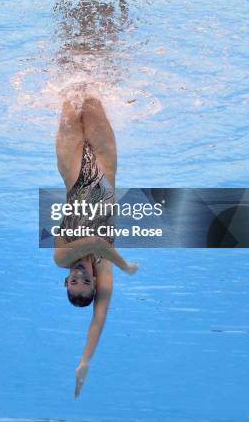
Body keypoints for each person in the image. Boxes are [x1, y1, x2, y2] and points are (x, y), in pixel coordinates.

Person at [54, 90, 139, 397]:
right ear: (93, 283)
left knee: (70, 93)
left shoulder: (62, 257)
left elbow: (95, 241)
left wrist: (125, 266)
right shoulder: (102, 268)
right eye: (85, 280)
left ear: (66, 281)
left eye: (74, 281)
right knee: (91, 96)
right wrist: (85, 362)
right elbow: (99, 318)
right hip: (106, 169)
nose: (79, 274)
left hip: (74, 170)